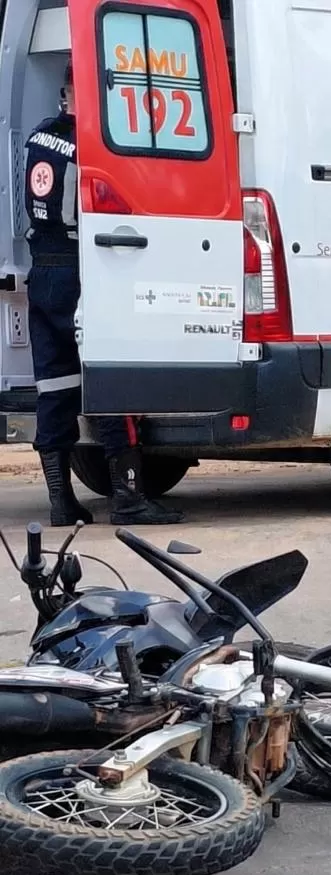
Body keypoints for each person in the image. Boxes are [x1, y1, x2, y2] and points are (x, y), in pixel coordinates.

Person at [24, 60, 184, 527]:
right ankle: (129, 498)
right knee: (112, 382)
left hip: (42, 272)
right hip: (79, 271)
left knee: (54, 388)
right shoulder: (90, 145)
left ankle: (60, 502)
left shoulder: (38, 137)